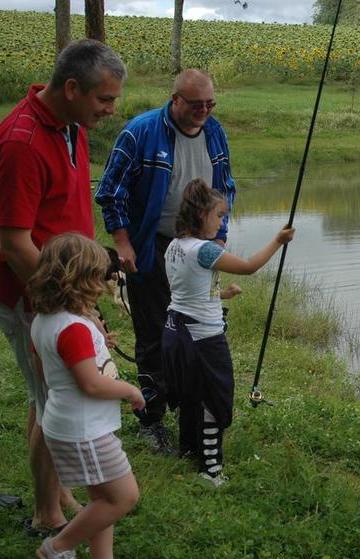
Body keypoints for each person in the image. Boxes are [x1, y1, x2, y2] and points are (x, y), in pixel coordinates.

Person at [0, 39, 126, 537]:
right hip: (31, 292)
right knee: (55, 399)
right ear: (72, 88)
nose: (110, 110)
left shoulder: (71, 125)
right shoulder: (21, 142)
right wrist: (70, 306)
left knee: (44, 393)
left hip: (61, 289)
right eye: (104, 99)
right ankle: (48, 514)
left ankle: (56, 489)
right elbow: (15, 245)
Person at [95, 68, 236, 455]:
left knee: (202, 328)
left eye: (210, 104)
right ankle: (151, 418)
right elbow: (111, 192)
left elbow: (225, 188)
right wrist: (122, 243)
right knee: (155, 332)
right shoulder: (141, 131)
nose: (204, 111)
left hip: (200, 246)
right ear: (175, 99)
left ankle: (193, 410)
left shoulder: (215, 132)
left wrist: (219, 238)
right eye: (196, 104)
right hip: (151, 245)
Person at [162, 179, 294, 486]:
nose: (222, 223)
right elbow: (249, 267)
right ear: (202, 215)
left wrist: (223, 295)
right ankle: (211, 470)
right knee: (214, 400)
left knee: (191, 396)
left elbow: (187, 290)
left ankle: (189, 451)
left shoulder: (174, 245)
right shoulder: (205, 250)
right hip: (203, 339)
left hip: (175, 331)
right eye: (219, 216)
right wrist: (278, 240)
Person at [28, 233, 143, 559]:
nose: (104, 283)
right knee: (123, 497)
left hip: (68, 424)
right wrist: (130, 390)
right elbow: (91, 385)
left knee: (102, 500)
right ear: (81, 280)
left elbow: (43, 371)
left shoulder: (43, 321)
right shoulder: (73, 328)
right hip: (85, 431)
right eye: (98, 276)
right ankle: (56, 548)